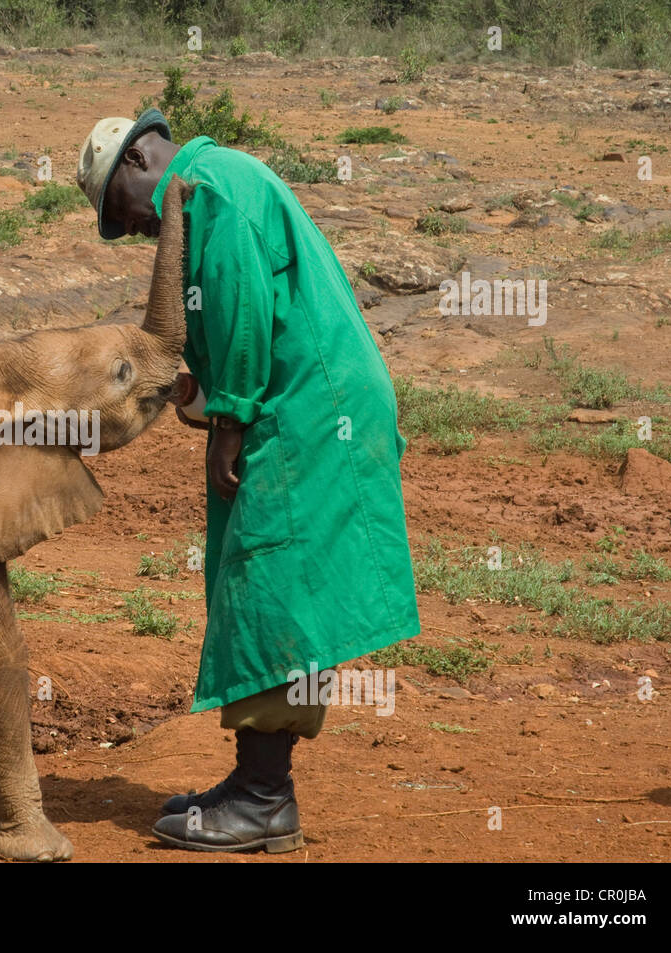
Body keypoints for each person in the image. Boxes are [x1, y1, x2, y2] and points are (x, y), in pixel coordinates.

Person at [76, 109, 420, 853]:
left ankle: (264, 797)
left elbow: (239, 313)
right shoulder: (216, 184)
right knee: (273, 577)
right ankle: (258, 786)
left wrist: (227, 418)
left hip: (304, 409)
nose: (132, 232)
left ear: (139, 157)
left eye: (121, 213)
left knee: (267, 580)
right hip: (309, 399)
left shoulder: (213, 192)